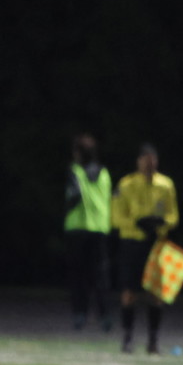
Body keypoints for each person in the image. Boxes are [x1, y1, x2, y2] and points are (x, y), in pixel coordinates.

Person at [110, 143, 178, 353]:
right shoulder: (126, 184)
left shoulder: (166, 185)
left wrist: (160, 224)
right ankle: (128, 337)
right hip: (132, 243)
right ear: (138, 161)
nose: (149, 164)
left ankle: (153, 340)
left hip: (156, 243)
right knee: (129, 292)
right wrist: (137, 224)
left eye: (153, 160)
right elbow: (115, 217)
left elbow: (174, 216)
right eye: (145, 160)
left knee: (156, 294)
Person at [64, 133, 113, 331]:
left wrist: (66, 206)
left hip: (78, 227)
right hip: (100, 228)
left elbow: (74, 194)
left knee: (78, 275)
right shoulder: (104, 173)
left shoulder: (75, 170)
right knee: (100, 275)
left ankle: (80, 314)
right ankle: (104, 316)